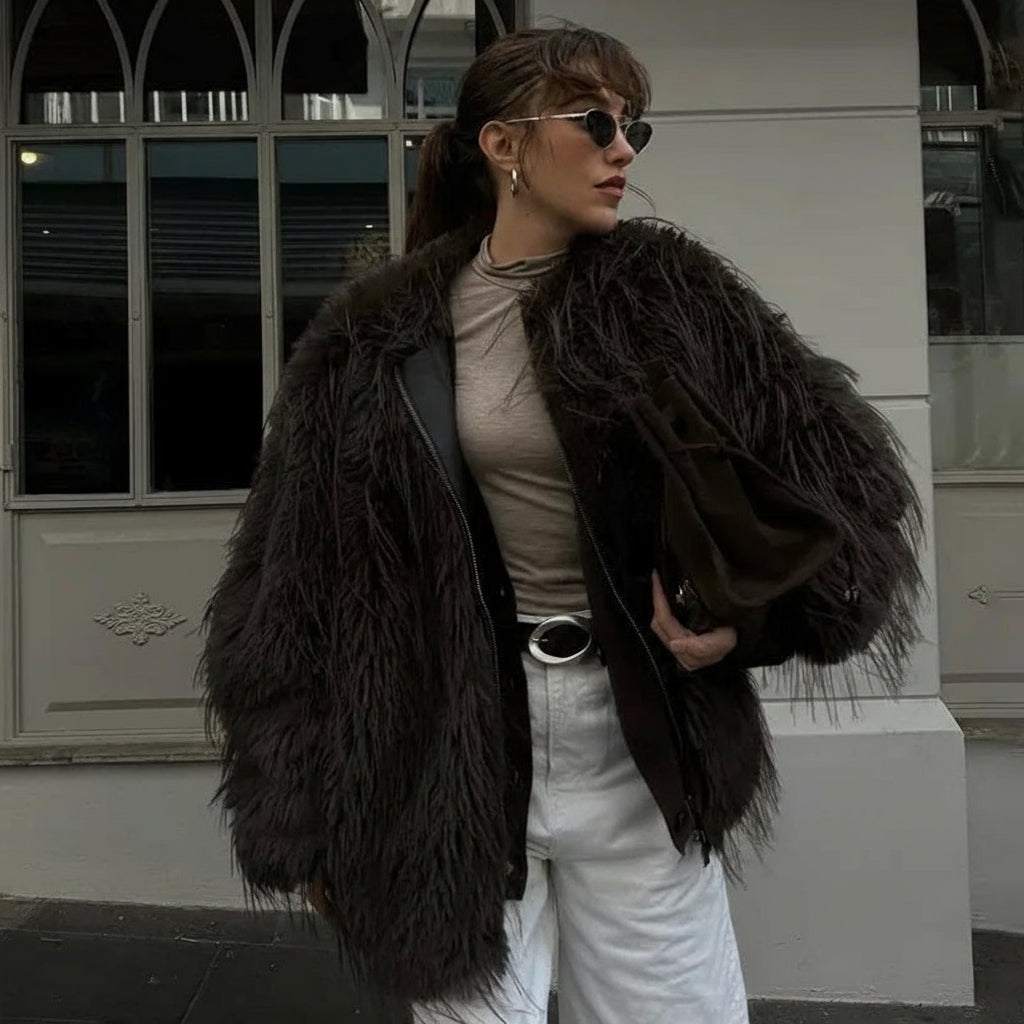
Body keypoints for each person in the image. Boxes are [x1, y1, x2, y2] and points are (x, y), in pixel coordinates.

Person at [200, 25, 923, 1024]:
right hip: (445, 742)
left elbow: (847, 483)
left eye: (633, 128)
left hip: (633, 732)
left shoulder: (671, 298)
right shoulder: (374, 337)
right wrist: (299, 816)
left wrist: (744, 621)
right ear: (503, 145)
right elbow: (285, 589)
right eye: (594, 123)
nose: (623, 149)